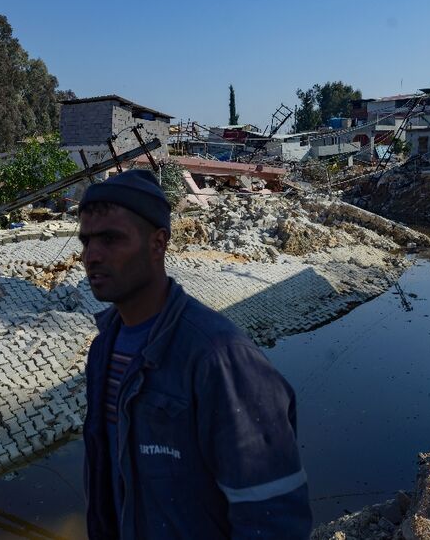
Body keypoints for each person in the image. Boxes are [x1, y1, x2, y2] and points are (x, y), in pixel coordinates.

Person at [78, 169, 312, 539]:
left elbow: (272, 515)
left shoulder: (219, 358)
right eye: (86, 240)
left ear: (158, 243)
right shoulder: (103, 349)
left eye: (110, 239)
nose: (92, 255)